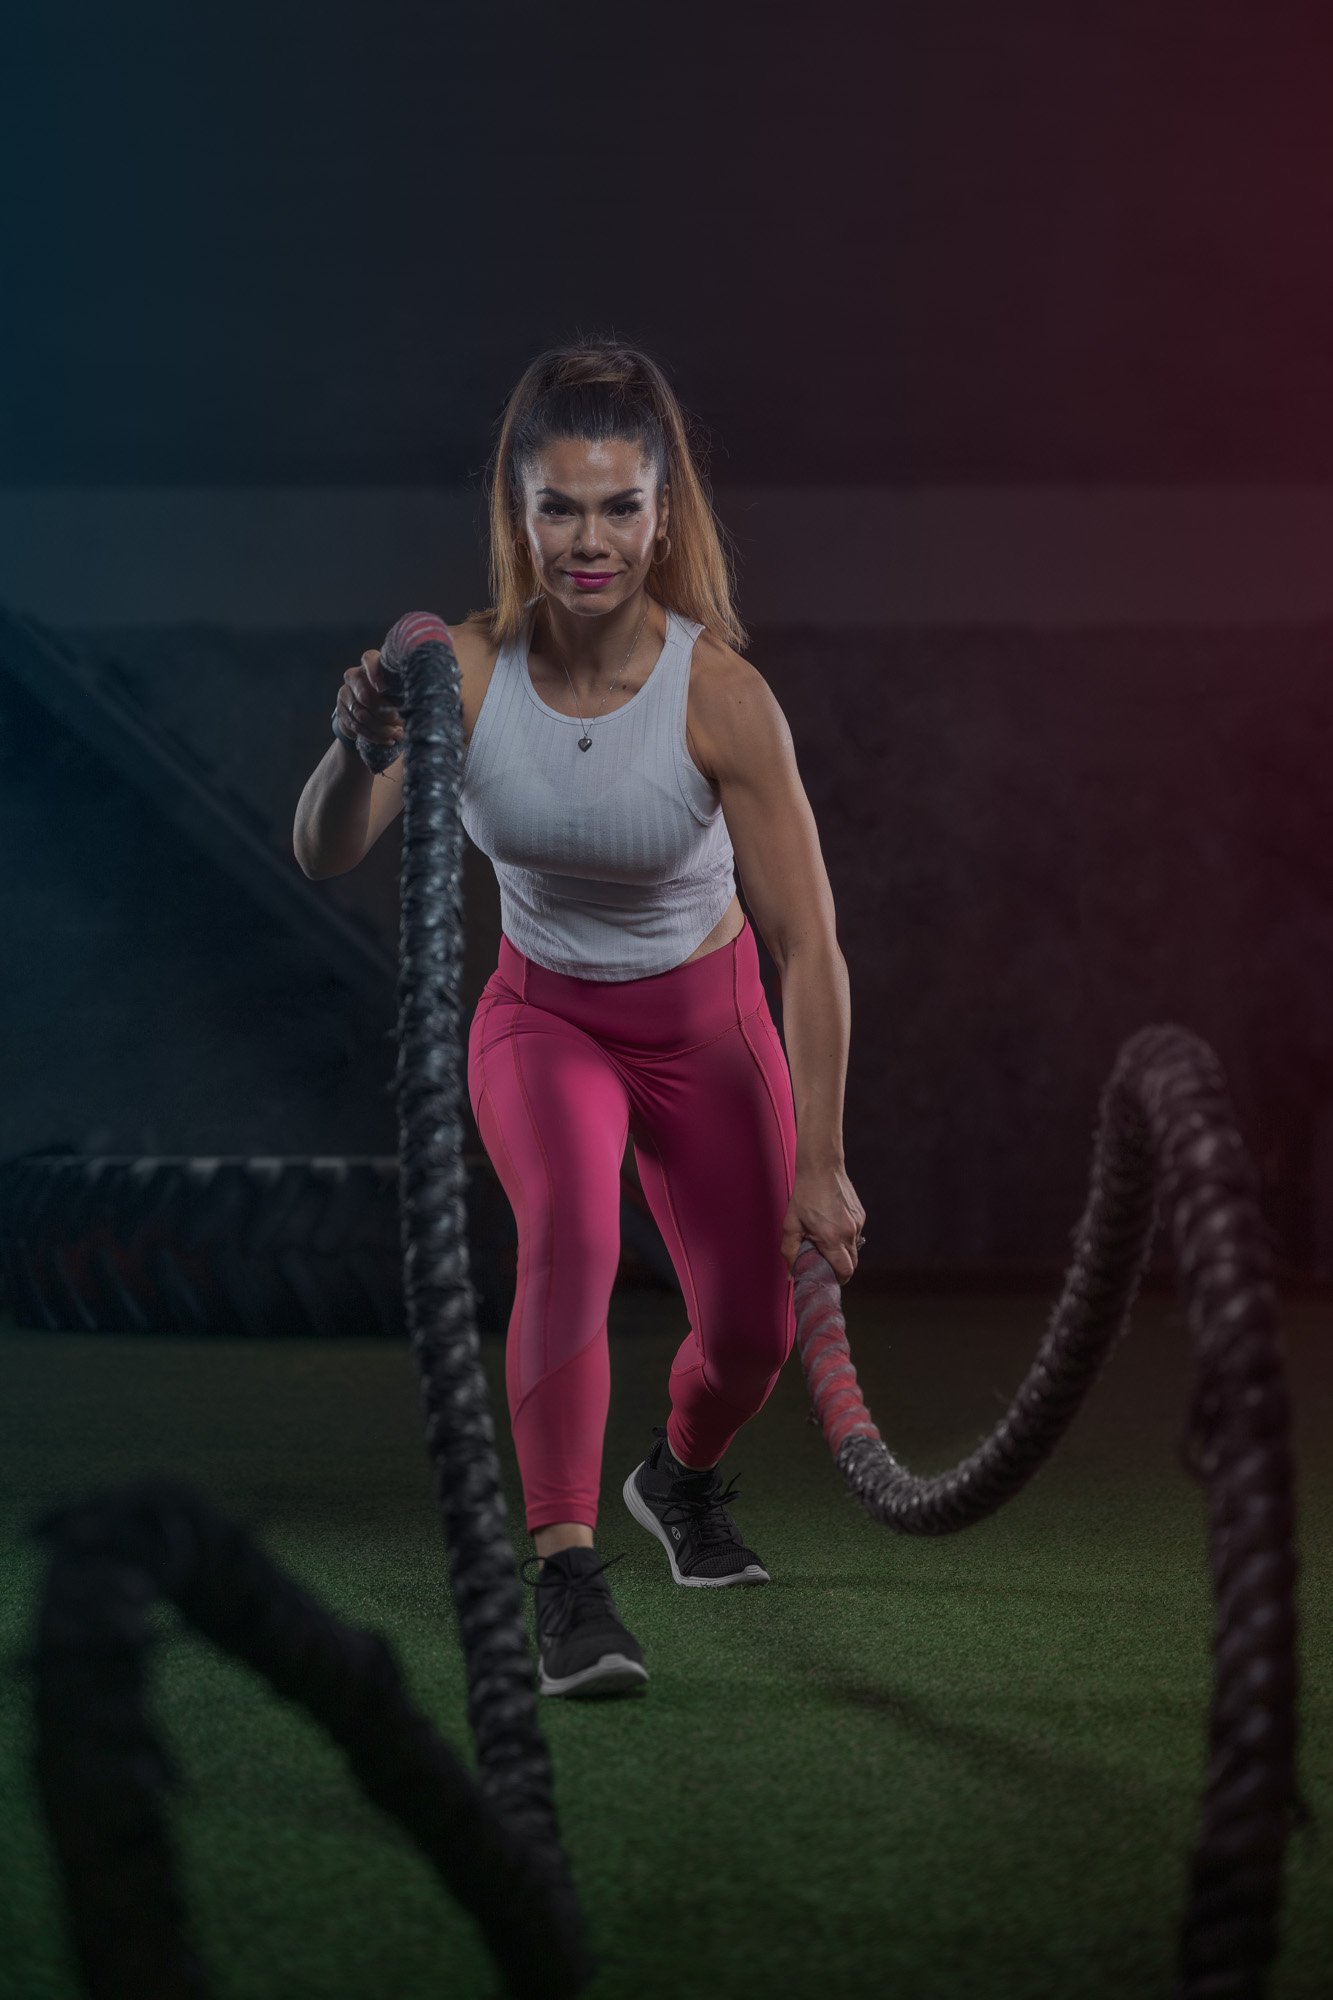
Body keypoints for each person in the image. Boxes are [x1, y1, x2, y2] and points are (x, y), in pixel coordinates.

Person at [293, 340, 865, 1699]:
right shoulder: (463, 674)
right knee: (570, 1234)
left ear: (663, 517)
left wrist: (822, 1157)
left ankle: (678, 1480)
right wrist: (358, 746)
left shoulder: (721, 698)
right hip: (543, 1022)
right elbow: (324, 849)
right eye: (559, 507)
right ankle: (568, 1582)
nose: (589, 541)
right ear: (520, 513)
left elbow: (808, 947)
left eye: (618, 507)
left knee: (751, 1340)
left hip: (710, 1027)